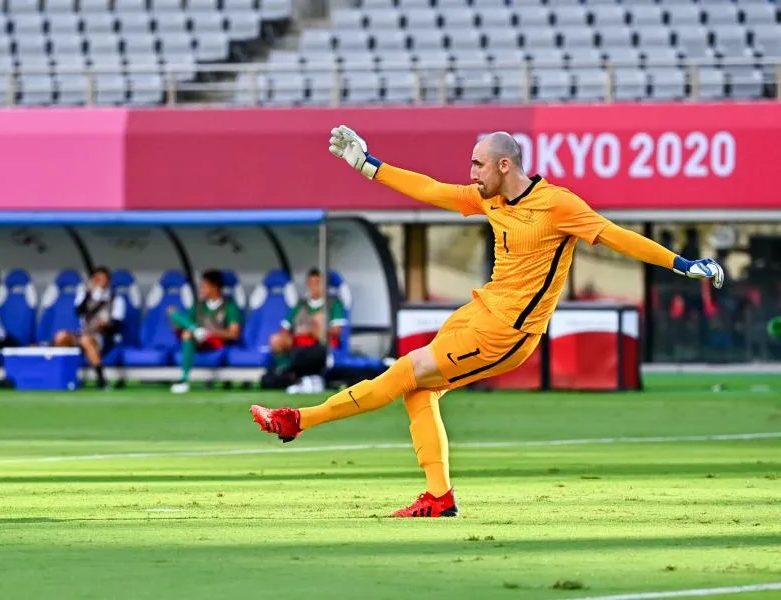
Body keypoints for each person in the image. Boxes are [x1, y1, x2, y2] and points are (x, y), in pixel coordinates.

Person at [250, 125, 724, 518]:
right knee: (419, 388)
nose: (470, 174)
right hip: (476, 312)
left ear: (504, 165)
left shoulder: (559, 205)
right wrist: (368, 165)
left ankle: (299, 420)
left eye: (478, 164)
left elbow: (618, 237)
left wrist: (683, 265)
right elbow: (431, 190)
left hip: (507, 332)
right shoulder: (488, 200)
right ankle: (438, 497)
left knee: (406, 371)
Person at [263, 268, 347, 393]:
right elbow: (285, 329)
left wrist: (314, 328)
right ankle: (285, 373)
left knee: (317, 323)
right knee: (276, 341)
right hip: (298, 344)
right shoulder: (301, 304)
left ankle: (295, 376)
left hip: (320, 346)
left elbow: (337, 332)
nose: (314, 287)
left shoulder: (333, 304)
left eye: (317, 283)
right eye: (311, 283)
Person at [168, 270, 242, 394]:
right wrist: (176, 320)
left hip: (215, 342)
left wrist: (210, 332)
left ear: (214, 287)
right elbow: (179, 328)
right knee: (174, 314)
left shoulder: (229, 306)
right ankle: (196, 330)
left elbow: (234, 333)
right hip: (197, 339)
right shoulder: (198, 305)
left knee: (189, 333)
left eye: (204, 286)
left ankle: (184, 380)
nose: (201, 289)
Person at [54, 267, 125, 389]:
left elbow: (117, 325)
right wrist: (88, 293)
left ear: (108, 281)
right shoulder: (84, 295)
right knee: (61, 336)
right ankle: (60, 375)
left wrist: (104, 325)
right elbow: (79, 311)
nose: (98, 281)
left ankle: (101, 380)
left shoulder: (116, 299)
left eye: (101, 279)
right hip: (83, 333)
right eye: (96, 278)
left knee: (86, 340)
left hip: (102, 337)